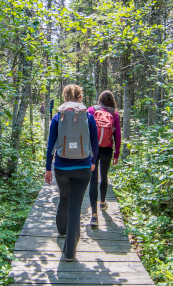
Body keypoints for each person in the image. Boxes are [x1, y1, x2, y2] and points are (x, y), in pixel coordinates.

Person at [44, 84, 99, 262]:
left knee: (64, 198)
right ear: (80, 98)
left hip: (61, 168)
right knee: (76, 207)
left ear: (64, 97)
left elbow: (51, 145)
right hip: (83, 168)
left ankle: (61, 231)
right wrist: (92, 162)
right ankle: (70, 252)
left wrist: (47, 168)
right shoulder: (88, 117)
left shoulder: (57, 117)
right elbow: (95, 144)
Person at [87, 90, 121, 226]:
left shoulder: (91, 110)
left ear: (99, 99)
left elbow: (85, 129)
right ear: (112, 101)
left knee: (93, 179)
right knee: (104, 175)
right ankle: (102, 203)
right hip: (107, 149)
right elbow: (117, 135)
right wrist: (117, 154)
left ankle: (94, 216)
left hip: (92, 149)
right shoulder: (114, 113)